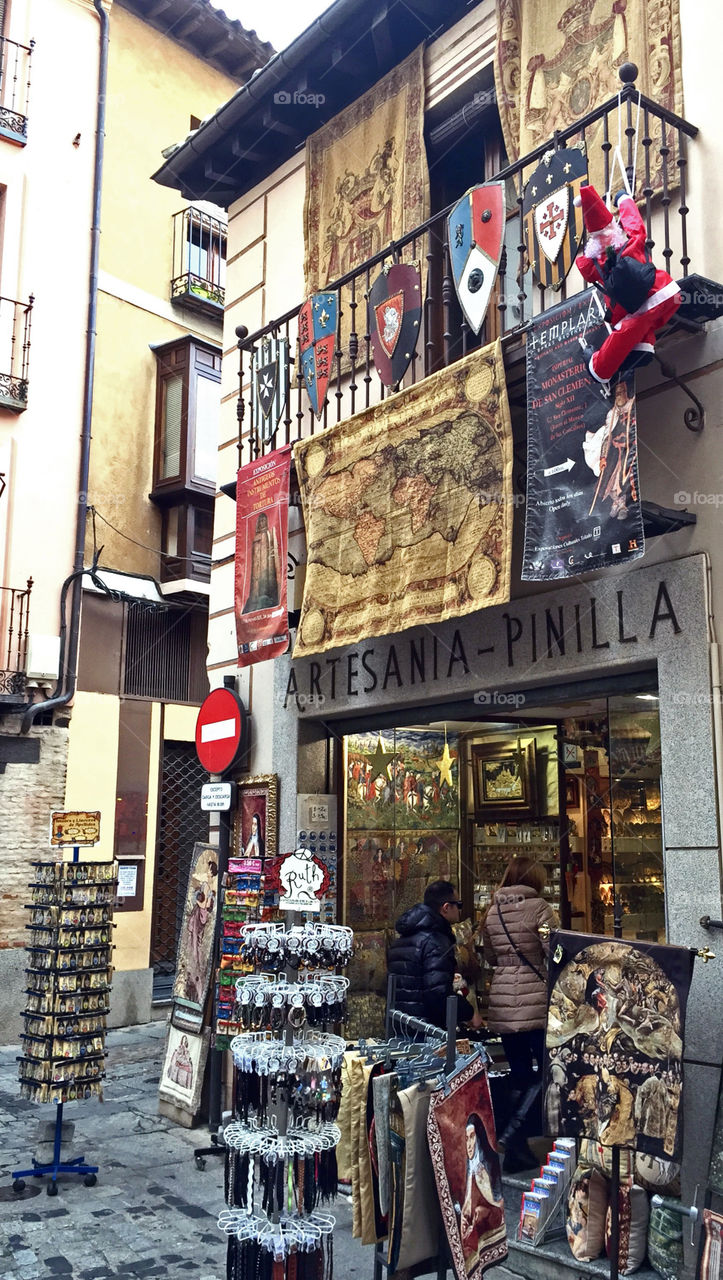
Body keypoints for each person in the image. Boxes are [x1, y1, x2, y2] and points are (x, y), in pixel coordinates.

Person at [482, 856, 558, 1171]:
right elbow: (554, 951)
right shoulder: (540, 908)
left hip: (502, 999)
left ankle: (514, 1143)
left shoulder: (492, 911)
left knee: (518, 1069)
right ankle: (517, 1134)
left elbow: (488, 954)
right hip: (535, 998)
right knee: (545, 1069)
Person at [575, 183, 681, 386]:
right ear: (614, 228)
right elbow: (635, 224)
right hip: (665, 293)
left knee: (624, 331)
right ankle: (643, 346)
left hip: (647, 301)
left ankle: (598, 368)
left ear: (593, 242)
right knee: (639, 323)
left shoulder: (596, 265)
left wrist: (592, 255)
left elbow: (584, 267)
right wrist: (623, 198)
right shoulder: (630, 242)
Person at [387, 880, 483, 1031]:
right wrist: (469, 1013)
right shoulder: (436, 942)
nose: (459, 910)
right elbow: (438, 993)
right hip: (426, 1030)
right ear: (446, 907)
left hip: (401, 1027)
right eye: (458, 904)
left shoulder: (403, 938)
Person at [458, 1112, 504, 1258]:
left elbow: (498, 1200)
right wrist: (464, 1213)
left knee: (477, 1215)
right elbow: (467, 1200)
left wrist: (484, 1210)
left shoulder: (488, 1163)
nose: (469, 1145)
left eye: (472, 1137)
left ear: (479, 1138)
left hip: (492, 1214)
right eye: (466, 1139)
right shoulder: (470, 1165)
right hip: (475, 1214)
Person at [242, 512, 280, 613]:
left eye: (264, 520)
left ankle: (266, 597)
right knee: (255, 583)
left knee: (265, 580)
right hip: (256, 565)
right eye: (261, 521)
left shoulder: (268, 534)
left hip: (266, 565)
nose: (262, 523)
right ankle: (255, 600)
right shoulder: (256, 536)